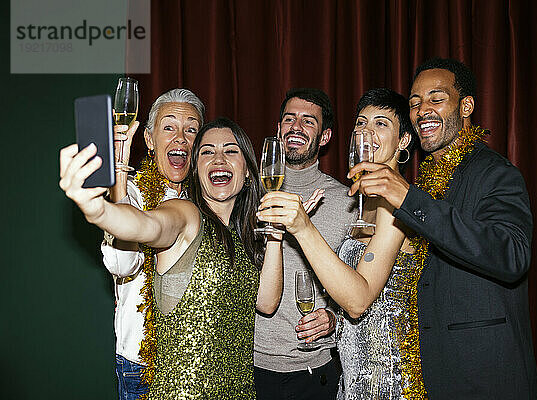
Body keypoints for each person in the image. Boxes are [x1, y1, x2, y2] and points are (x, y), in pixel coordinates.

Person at [348, 58, 537, 399]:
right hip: (431, 377)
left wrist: (409, 199)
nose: (423, 110)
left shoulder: (495, 172)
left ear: (465, 106)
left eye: (436, 99)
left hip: (487, 380)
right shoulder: (428, 182)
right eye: (414, 103)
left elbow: (512, 256)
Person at [60, 117, 286, 399]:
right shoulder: (186, 215)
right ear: (196, 170)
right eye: (206, 152)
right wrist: (99, 211)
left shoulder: (242, 237)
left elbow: (265, 302)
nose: (218, 158)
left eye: (230, 151)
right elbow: (145, 225)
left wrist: (275, 232)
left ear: (249, 172)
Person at [257, 88, 426, 399]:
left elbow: (358, 300)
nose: (366, 131)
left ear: (403, 141)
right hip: (351, 374)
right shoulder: (363, 202)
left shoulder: (395, 204)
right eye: (361, 123)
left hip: (385, 376)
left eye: (381, 124)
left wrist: (303, 227)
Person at [100, 88, 205, 400]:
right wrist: (119, 172)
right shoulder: (130, 193)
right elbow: (122, 264)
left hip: (198, 364)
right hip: (145, 367)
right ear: (148, 139)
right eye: (169, 127)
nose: (181, 138)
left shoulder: (210, 198)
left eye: (191, 129)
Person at [253, 88, 356, 400]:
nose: (295, 127)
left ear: (324, 137)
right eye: (289, 119)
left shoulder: (345, 202)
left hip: (316, 373)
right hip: (249, 366)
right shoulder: (243, 193)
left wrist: (335, 319)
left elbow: (364, 289)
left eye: (308, 122)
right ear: (278, 129)